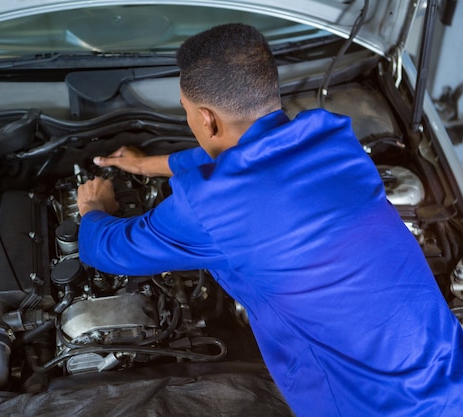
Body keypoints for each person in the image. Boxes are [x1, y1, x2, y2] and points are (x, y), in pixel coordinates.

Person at [76, 23, 463, 416]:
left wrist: (93, 206)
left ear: (206, 120)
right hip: (450, 373)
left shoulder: (211, 205)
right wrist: (148, 165)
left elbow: (108, 250)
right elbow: (251, 161)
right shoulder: (334, 138)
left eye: (186, 112)